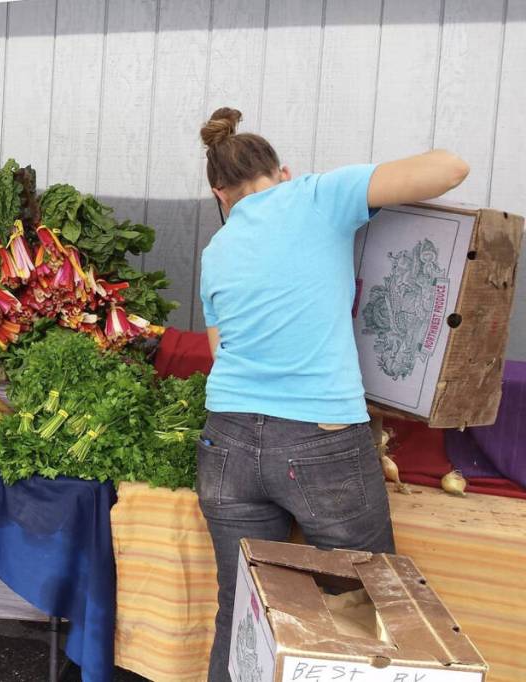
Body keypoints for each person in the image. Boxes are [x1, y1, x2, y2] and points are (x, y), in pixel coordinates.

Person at [196, 107, 469, 682]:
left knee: (245, 607)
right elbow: (451, 168)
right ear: (284, 171)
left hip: (226, 441)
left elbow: (220, 350)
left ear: (220, 193)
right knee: (366, 608)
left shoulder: (216, 251)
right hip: (320, 443)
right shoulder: (318, 195)